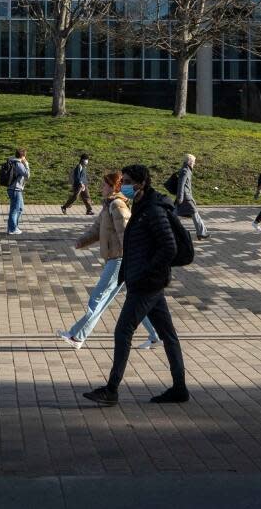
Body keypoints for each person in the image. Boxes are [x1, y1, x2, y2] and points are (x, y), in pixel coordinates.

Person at [82, 164, 187, 406]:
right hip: (147, 281)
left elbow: (169, 247)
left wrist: (147, 271)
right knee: (168, 335)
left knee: (122, 331)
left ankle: (111, 390)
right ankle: (180, 388)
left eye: (128, 181)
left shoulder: (154, 210)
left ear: (141, 183)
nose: (124, 185)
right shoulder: (141, 206)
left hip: (146, 283)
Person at [58, 170, 160, 350]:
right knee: (136, 299)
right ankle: (156, 335)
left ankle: (78, 336)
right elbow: (97, 229)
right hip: (119, 259)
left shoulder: (117, 206)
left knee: (97, 299)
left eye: (105, 184)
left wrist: (134, 260)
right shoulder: (109, 205)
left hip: (119, 260)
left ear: (114, 187)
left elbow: (126, 235)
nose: (101, 187)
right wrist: (81, 242)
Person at [6, 148, 30, 235]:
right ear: (23, 156)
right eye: (25, 155)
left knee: (20, 208)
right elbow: (27, 175)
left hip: (14, 189)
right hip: (15, 189)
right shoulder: (18, 164)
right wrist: (26, 163)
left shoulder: (12, 160)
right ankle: (12, 229)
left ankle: (12, 227)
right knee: (15, 209)